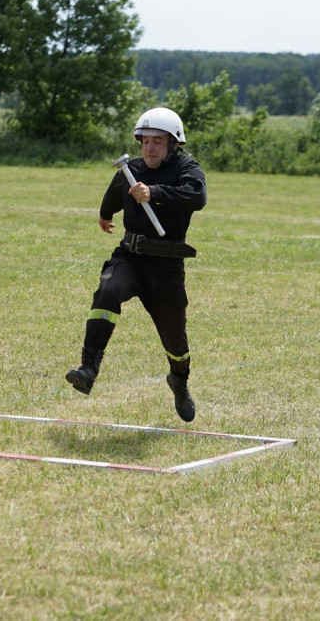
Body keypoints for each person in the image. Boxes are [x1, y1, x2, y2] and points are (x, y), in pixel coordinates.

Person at [66, 107, 207, 422]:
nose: (150, 147)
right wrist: (105, 214)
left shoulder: (187, 167)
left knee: (176, 342)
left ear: (173, 143)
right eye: (145, 141)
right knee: (107, 292)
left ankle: (179, 381)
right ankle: (88, 369)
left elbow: (196, 196)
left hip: (167, 267)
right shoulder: (132, 169)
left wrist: (153, 192)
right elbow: (116, 191)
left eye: (157, 141)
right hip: (130, 257)